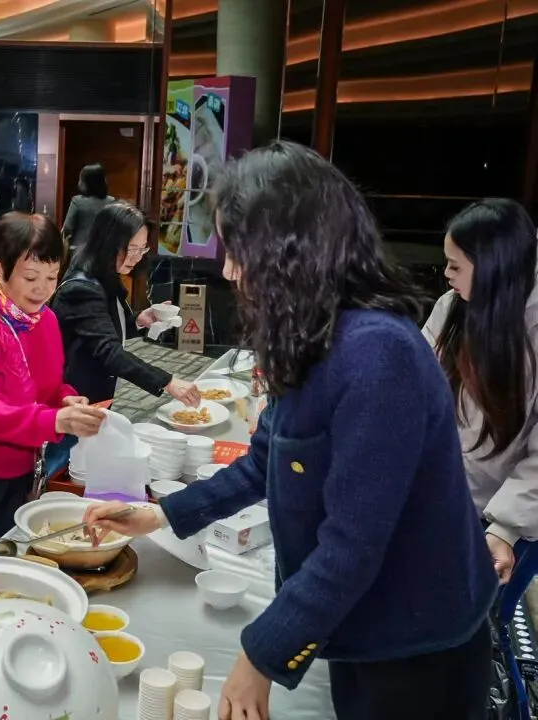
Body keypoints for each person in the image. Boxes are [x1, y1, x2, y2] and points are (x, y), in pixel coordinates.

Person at [84, 141, 497, 720]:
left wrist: (262, 654)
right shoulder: (311, 336)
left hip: (416, 645)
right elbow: (264, 462)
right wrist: (162, 515)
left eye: (238, 253)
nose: (229, 271)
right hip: (358, 623)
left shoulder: (378, 354)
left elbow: (353, 544)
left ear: (291, 250)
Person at [0, 213, 107, 558]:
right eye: (30, 277)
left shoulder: (46, 319)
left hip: (20, 468)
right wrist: (55, 420)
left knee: (5, 557)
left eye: (52, 277)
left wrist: (67, 400)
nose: (42, 289)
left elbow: (50, 387)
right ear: (0, 269)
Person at [422, 198, 538, 584]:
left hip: (500, 513)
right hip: (437, 492)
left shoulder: (533, 332)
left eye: (455, 266)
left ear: (492, 268)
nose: (446, 273)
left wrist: (504, 527)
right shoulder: (452, 308)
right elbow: (414, 384)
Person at [48, 201, 200, 474]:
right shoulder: (82, 288)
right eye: (131, 249)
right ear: (108, 242)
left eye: (142, 249)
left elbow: (104, 326)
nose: (137, 256)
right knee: (65, 468)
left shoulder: (104, 273)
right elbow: (109, 351)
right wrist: (168, 382)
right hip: (73, 399)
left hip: (95, 396)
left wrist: (140, 320)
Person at [62, 163, 114, 251]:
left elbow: (67, 227)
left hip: (79, 250)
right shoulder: (111, 201)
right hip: (103, 250)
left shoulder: (77, 201)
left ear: (85, 182)